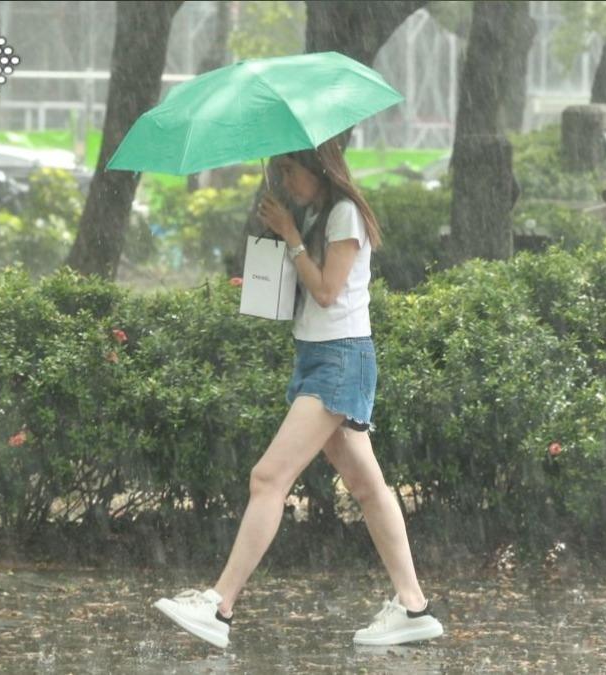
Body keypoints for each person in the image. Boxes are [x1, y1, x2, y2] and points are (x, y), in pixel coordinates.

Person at [153, 136, 444, 649]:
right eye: (280, 172)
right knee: (367, 487)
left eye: (291, 171)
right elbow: (305, 292)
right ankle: (413, 605)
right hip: (317, 356)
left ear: (320, 168)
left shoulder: (344, 215)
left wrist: (289, 236)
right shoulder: (316, 214)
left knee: (267, 478)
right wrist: (278, 241)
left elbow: (329, 292)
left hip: (339, 358)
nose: (284, 181)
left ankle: (218, 607)